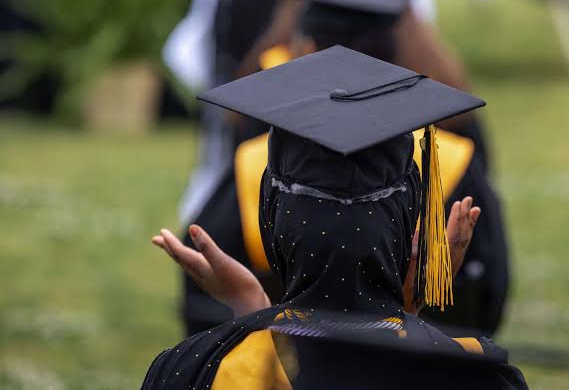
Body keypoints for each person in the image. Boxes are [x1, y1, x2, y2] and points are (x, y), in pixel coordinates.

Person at [144, 46, 527, 389]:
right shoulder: (478, 376)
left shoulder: (193, 372)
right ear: (411, 217)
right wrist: (409, 310)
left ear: (273, 219)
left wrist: (252, 311)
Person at [193, 0, 510, 336]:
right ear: (394, 44)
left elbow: (202, 304)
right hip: (412, 360)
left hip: (280, 355)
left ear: (307, 44)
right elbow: (484, 303)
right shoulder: (448, 160)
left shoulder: (256, 161)